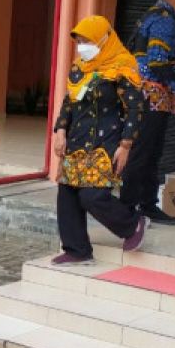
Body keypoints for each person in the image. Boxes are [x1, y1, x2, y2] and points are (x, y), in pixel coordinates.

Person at [53, 16, 148, 263]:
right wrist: (61, 131)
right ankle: (77, 250)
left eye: (88, 40)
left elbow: (135, 109)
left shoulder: (122, 67)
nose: (83, 46)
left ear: (104, 39)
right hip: (76, 140)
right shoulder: (79, 68)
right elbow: (69, 102)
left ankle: (132, 223)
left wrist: (126, 145)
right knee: (68, 194)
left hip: (106, 141)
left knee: (91, 196)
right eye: (80, 41)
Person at [121, 0, 175, 225]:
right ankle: (129, 210)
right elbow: (157, 62)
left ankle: (145, 205)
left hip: (148, 94)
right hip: (149, 96)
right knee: (144, 153)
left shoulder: (153, 13)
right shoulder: (164, 19)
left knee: (150, 152)